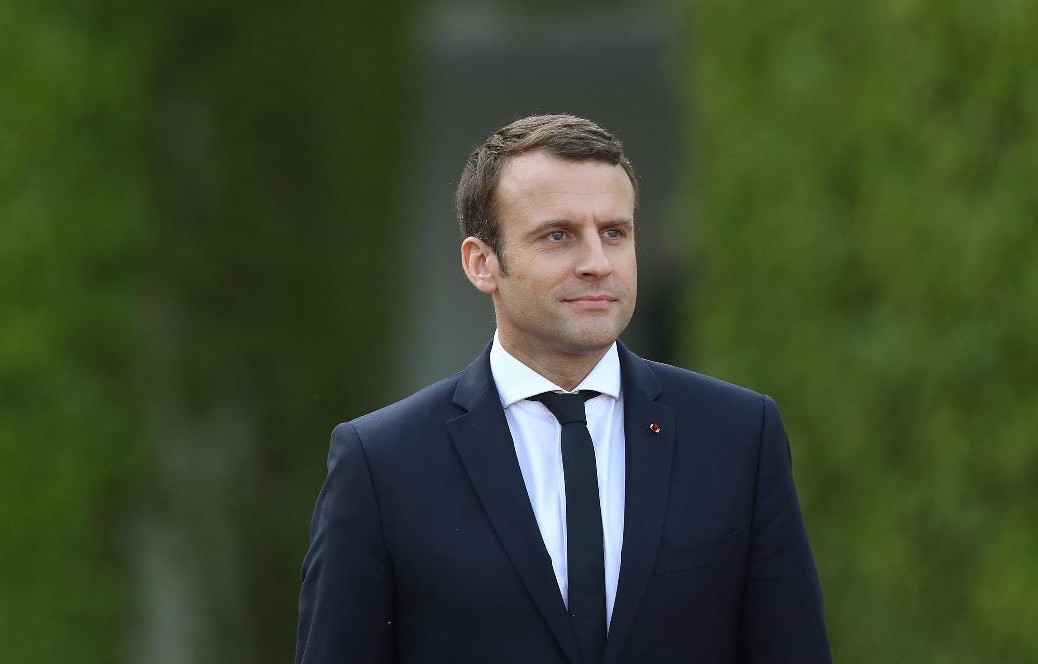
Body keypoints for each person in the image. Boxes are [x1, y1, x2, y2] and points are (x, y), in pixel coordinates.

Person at [296, 114, 832, 663]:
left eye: (615, 233)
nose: (597, 264)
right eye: (559, 235)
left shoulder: (739, 436)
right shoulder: (382, 462)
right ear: (482, 263)